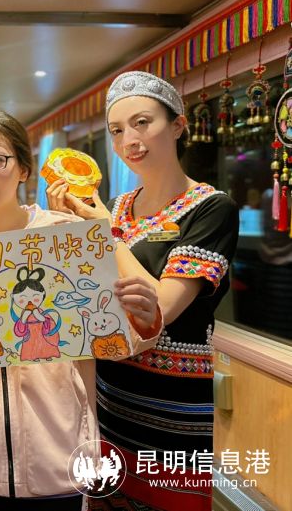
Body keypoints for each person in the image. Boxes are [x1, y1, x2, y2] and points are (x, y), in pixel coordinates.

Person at [0, 107, 163, 511]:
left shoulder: (67, 237)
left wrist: (144, 318)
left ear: (24, 169)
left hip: (59, 456)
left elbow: (115, 337)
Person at [47, 71, 239, 511]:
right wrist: (67, 231)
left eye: (142, 122)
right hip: (109, 395)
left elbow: (164, 308)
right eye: (117, 130)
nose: (129, 140)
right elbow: (83, 296)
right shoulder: (115, 207)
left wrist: (102, 233)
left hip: (173, 404)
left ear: (178, 125)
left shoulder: (211, 208)